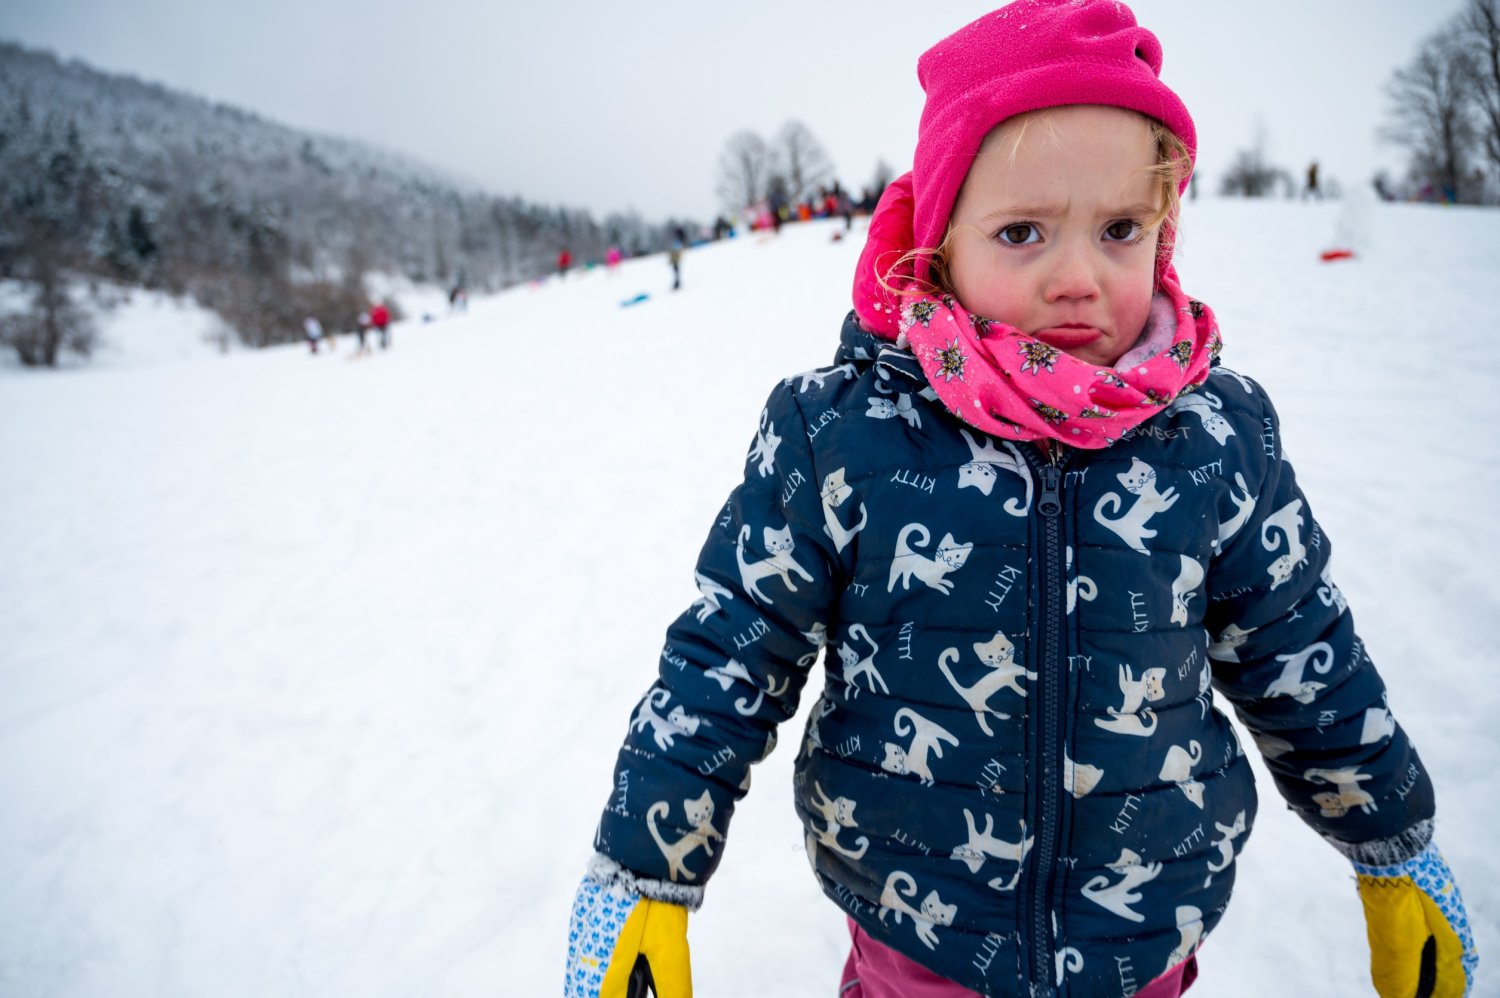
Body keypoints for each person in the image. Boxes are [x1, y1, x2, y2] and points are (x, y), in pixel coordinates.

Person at [562, 3, 1478, 997]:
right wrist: (645, 865)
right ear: (941, 240)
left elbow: (1305, 653)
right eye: (1023, 231)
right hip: (922, 933)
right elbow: (729, 648)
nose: (1078, 276)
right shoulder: (841, 433)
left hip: (1141, 931)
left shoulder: (1215, 439)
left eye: (1120, 228)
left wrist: (1393, 838)